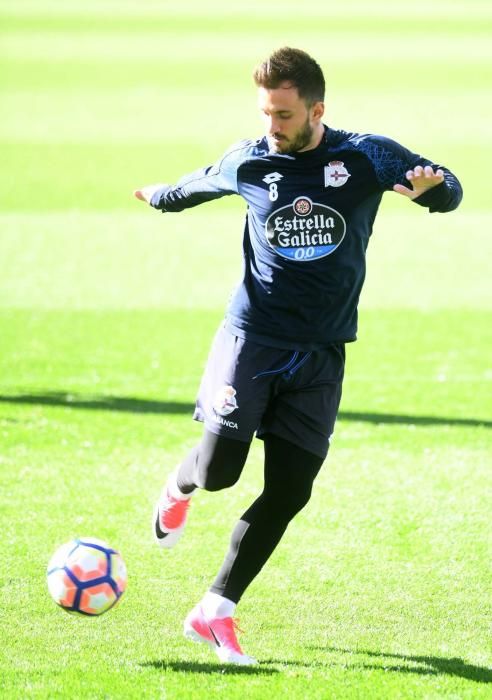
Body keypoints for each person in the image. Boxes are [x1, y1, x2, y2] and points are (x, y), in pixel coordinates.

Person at [134, 47, 462, 666]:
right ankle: (179, 483)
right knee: (218, 474)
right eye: (265, 113)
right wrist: (157, 195)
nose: (272, 126)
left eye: (283, 115)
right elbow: (194, 185)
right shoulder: (251, 161)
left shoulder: (366, 155)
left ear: (317, 110)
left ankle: (215, 610)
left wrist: (431, 192)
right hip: (252, 339)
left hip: (323, 351)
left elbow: (448, 189)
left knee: (291, 489)